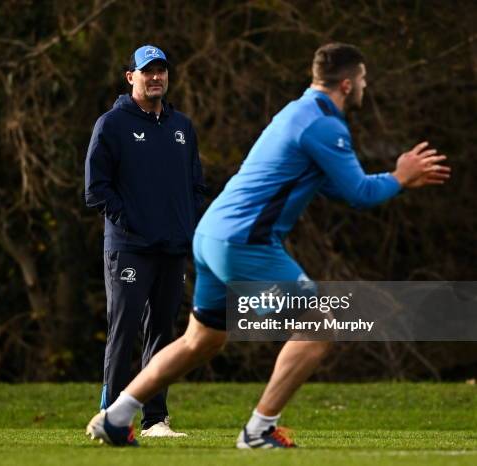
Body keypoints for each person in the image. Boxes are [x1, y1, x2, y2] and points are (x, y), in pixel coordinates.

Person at [86, 43, 451, 447]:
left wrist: (390, 179)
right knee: (319, 326)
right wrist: (400, 176)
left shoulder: (294, 112)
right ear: (347, 84)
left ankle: (115, 417)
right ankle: (259, 429)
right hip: (246, 242)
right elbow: (359, 193)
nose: (365, 86)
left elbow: (327, 184)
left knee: (200, 339)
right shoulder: (325, 126)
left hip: (210, 236)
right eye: (363, 79)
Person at [85, 45, 205, 437]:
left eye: (161, 71)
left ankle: (155, 419)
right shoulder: (112, 124)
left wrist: (187, 226)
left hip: (173, 249)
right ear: (130, 76)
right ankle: (111, 417)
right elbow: (97, 189)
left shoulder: (181, 127)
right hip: (130, 249)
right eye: (147, 71)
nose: (155, 78)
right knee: (124, 330)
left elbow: (195, 186)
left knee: (163, 335)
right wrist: (134, 224)